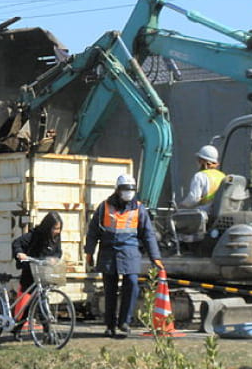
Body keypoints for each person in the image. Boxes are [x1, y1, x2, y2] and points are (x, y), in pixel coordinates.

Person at [85, 174, 164, 338]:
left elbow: (148, 234)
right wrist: (89, 252)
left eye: (131, 190)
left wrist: (155, 257)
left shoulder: (139, 209)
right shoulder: (104, 207)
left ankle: (124, 321)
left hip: (130, 252)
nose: (129, 193)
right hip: (108, 252)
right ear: (118, 190)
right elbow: (93, 231)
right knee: (110, 290)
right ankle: (110, 325)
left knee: (132, 284)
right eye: (125, 189)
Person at [178, 145, 225, 212]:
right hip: (219, 212)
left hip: (206, 213)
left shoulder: (200, 176)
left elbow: (194, 198)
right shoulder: (222, 175)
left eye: (199, 160)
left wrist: (181, 205)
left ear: (203, 161)